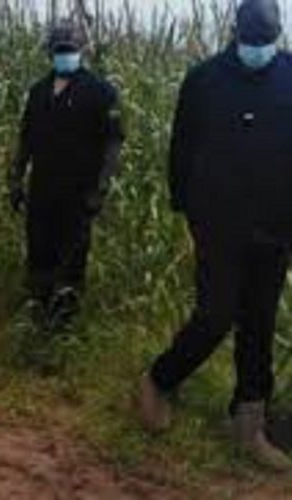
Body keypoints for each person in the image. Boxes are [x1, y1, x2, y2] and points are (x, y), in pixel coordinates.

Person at [139, 0, 292, 471]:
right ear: (235, 34)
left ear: (278, 36)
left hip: (277, 223)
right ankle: (159, 380)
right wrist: (183, 206)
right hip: (218, 223)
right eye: (251, 42)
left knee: (260, 322)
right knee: (216, 313)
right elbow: (181, 145)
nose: (257, 50)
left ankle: (248, 421)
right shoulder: (204, 79)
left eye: (265, 43)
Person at [9, 19, 124, 331]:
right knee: (39, 256)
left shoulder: (101, 92)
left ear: (82, 50)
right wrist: (15, 179)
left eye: (70, 49)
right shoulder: (38, 92)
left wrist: (99, 191)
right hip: (43, 191)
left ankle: (63, 331)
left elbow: (113, 144)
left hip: (79, 196)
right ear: (50, 52)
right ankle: (37, 320)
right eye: (60, 50)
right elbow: (26, 139)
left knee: (71, 262)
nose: (65, 55)